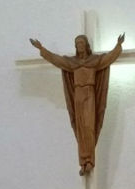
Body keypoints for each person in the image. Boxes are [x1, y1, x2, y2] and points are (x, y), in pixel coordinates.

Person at [29, 34, 124, 175]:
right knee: (80, 128)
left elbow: (107, 58)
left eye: (81, 43)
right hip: (78, 95)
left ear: (86, 45)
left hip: (90, 94)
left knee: (89, 127)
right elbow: (56, 59)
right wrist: (42, 48)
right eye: (77, 44)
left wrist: (118, 46)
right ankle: (83, 161)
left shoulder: (94, 61)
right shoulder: (72, 63)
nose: (79, 46)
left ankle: (90, 161)